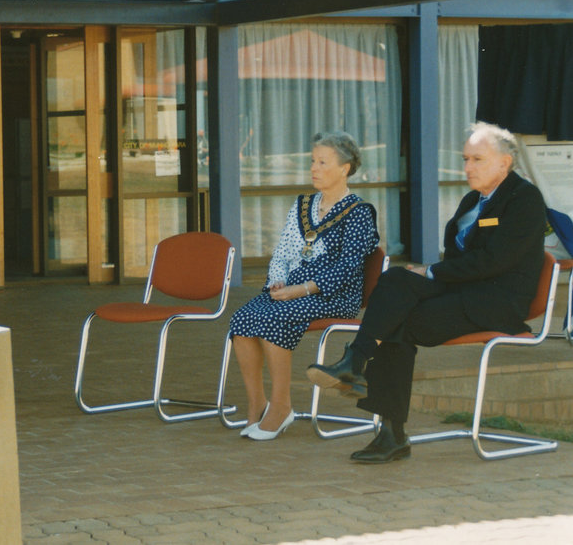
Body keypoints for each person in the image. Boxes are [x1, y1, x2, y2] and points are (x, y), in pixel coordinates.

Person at [307, 121, 545, 463]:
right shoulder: (473, 200)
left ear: (504, 163)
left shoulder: (524, 200)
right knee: (394, 281)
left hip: (497, 302)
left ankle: (387, 425)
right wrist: (426, 275)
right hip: (462, 290)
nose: (467, 167)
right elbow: (463, 259)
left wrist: (431, 271)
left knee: (399, 319)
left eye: (477, 159)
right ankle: (356, 367)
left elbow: (493, 261)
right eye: (465, 159)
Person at [230, 131, 379, 441]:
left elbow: (347, 269)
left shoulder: (359, 213)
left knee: (273, 318)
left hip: (334, 295)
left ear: (345, 168)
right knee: (241, 320)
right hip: (291, 290)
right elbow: (282, 253)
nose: (313, 168)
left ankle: (281, 407)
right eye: (313, 161)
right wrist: (277, 281)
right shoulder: (303, 205)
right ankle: (258, 403)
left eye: (323, 162)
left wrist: (300, 290)